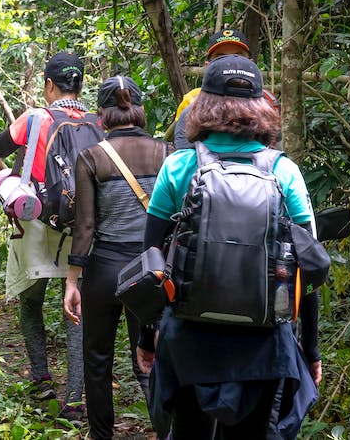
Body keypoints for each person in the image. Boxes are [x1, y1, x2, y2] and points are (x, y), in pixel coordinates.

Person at [138, 55, 321, 439]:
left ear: (204, 104)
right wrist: (310, 349)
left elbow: (150, 263)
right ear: (260, 108)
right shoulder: (283, 170)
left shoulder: (179, 167)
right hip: (265, 344)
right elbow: (309, 267)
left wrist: (147, 337)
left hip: (188, 340)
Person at [62, 75, 169, 439]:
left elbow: (85, 226)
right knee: (153, 360)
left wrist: (72, 280)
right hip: (150, 270)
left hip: (106, 269)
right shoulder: (165, 152)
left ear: (101, 114)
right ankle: (164, 429)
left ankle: (101, 435)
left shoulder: (91, 157)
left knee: (97, 360)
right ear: (138, 110)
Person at [0, 52, 87, 413]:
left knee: (31, 303)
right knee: (77, 311)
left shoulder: (35, 117)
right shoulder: (95, 121)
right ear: (80, 84)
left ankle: (43, 381)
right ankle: (76, 399)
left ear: (49, 84)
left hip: (36, 219)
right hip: (81, 226)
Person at [170, 29, 279, 150]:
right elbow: (183, 146)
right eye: (220, 57)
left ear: (251, 63)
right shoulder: (192, 100)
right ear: (207, 66)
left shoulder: (266, 101)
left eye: (238, 55)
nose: (230, 61)